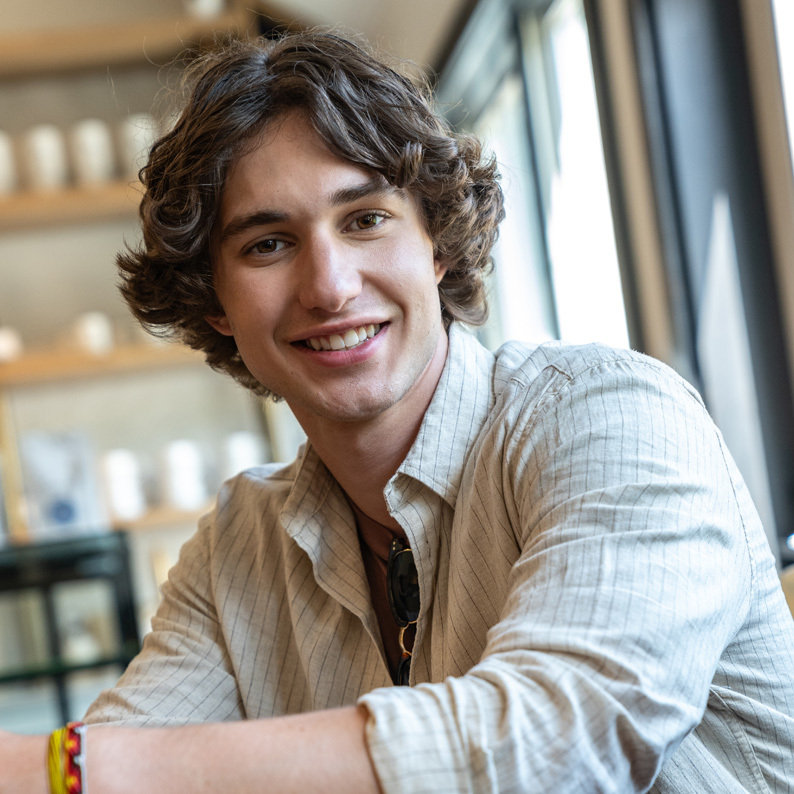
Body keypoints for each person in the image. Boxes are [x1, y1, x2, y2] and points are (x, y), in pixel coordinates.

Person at [4, 29, 794, 794]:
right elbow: (118, 758)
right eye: (267, 244)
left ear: (438, 242)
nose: (331, 286)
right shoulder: (237, 551)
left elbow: (559, 743)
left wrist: (73, 769)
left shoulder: (611, 416)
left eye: (366, 219)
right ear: (214, 301)